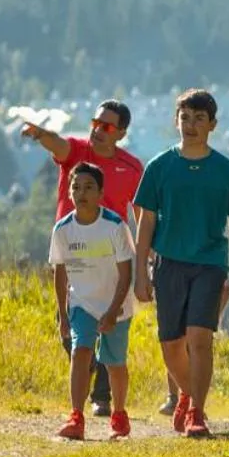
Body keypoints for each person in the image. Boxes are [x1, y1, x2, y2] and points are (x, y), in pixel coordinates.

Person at [133, 89, 229, 439]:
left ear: (212, 124)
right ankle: (186, 393)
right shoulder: (159, 167)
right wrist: (140, 272)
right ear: (175, 121)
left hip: (210, 264)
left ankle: (197, 411)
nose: (191, 125)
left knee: (200, 338)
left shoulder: (226, 170)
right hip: (169, 263)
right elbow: (146, 222)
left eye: (199, 119)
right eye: (185, 118)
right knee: (171, 344)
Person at [23, 99, 143, 416]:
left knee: (110, 324)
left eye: (106, 126)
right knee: (73, 331)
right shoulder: (78, 152)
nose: (98, 130)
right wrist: (39, 133)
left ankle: (102, 397)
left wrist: (144, 257)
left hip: (111, 258)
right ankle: (85, 369)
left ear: (121, 133)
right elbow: (59, 144)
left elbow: (141, 214)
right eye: (95, 123)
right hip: (72, 253)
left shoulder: (132, 168)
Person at [49, 162, 134, 442]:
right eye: (75, 187)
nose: (81, 193)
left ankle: (119, 413)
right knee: (80, 352)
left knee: (114, 363)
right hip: (81, 303)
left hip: (116, 304)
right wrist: (62, 314)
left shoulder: (114, 226)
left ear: (100, 193)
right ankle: (76, 415)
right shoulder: (62, 230)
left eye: (88, 187)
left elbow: (126, 274)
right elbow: (60, 274)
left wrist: (112, 311)